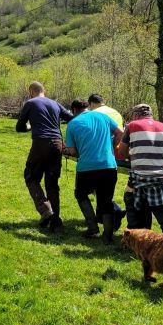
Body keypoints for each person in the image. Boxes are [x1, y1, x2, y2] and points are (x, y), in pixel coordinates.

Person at [117, 104, 163, 234]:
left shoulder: (132, 126)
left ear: (135, 115)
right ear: (151, 115)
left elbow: (122, 152)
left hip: (140, 178)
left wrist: (134, 155)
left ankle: (137, 233)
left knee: (133, 204)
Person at [64, 99, 124, 242]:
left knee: (81, 194)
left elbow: (72, 151)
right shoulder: (103, 116)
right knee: (106, 200)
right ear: (87, 107)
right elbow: (120, 132)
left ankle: (92, 227)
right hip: (108, 165)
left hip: (87, 167)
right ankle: (107, 236)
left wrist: (81, 151)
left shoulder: (72, 124)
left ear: (73, 110)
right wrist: (112, 146)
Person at [16, 82, 73, 231]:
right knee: (52, 182)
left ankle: (45, 210)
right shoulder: (55, 103)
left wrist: (30, 126)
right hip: (57, 143)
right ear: (44, 90)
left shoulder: (30, 103)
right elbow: (71, 118)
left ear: (31, 91)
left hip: (41, 143)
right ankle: (55, 221)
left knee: (31, 176)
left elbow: (19, 127)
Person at [88, 93, 127, 230]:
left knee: (93, 185)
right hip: (115, 153)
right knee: (104, 186)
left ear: (91, 104)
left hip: (99, 153)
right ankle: (106, 214)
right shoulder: (116, 112)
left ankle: (113, 210)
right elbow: (121, 132)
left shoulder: (94, 113)